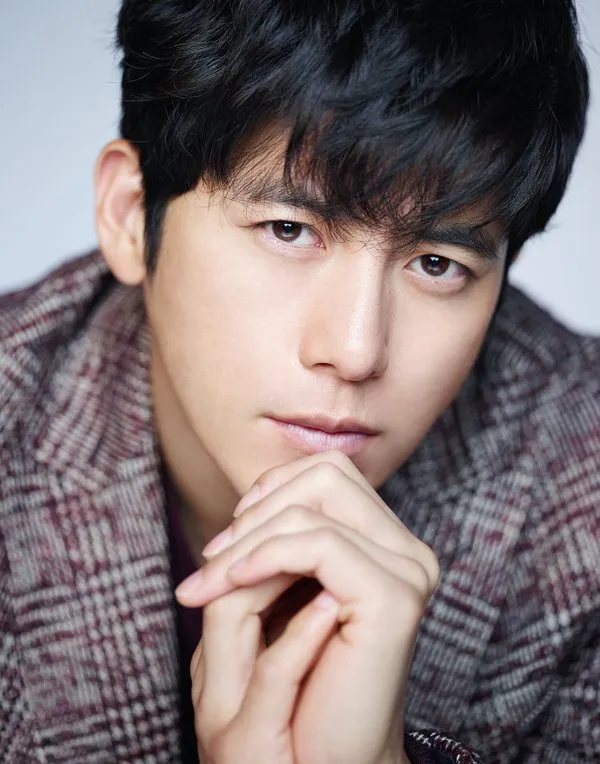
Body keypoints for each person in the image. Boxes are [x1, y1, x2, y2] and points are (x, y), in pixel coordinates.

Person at [1, 0, 598, 761]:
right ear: (128, 215)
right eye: (289, 230)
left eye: (436, 263)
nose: (354, 351)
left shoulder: (582, 495)